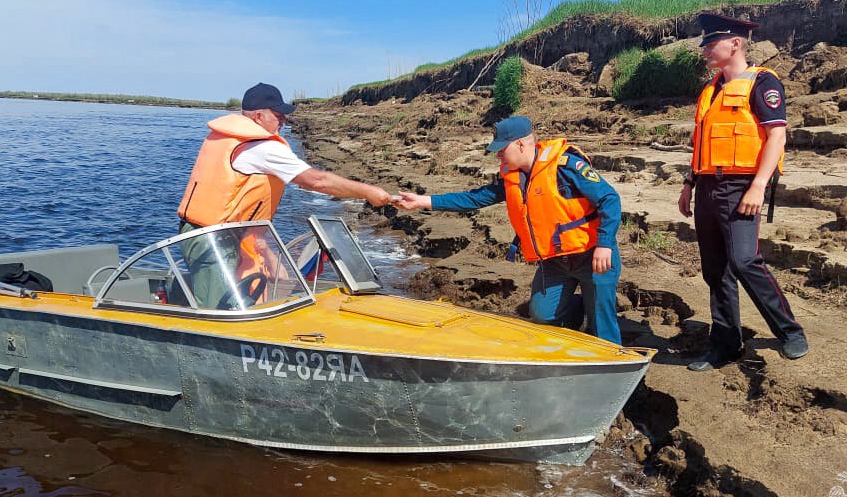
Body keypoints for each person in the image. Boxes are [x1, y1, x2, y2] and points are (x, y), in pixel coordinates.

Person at [397, 115, 623, 344]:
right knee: (542, 316)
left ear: (521, 144)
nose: (498, 155)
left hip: (592, 255)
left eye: (501, 149)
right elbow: (474, 199)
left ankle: (616, 364)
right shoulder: (512, 179)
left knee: (602, 327)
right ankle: (582, 308)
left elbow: (610, 199)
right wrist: (422, 201)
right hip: (555, 262)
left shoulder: (566, 167)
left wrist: (604, 245)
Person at [176, 82, 392, 306]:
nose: (284, 121)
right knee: (219, 308)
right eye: (278, 115)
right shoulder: (262, 148)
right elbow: (316, 180)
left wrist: (264, 247)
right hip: (212, 238)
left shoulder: (229, 139)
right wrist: (368, 192)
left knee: (254, 294)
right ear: (259, 116)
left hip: (224, 234)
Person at [678, 13, 809, 370]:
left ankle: (789, 331)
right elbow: (701, 143)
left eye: (710, 43)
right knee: (715, 269)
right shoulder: (709, 90)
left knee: (745, 260)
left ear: (735, 43)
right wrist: (689, 184)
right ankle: (724, 344)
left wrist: (757, 186)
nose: (704, 50)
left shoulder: (761, 83)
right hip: (706, 187)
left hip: (741, 187)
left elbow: (776, 136)